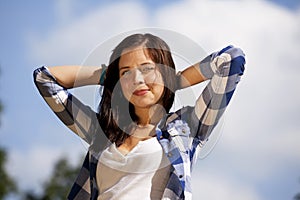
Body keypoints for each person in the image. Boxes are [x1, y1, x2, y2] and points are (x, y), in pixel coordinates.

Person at [33, 33, 245, 200]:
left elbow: (231, 60)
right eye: (126, 72)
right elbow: (45, 79)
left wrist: (175, 81)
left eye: (147, 69)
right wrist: (107, 75)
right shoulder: (102, 131)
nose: (136, 79)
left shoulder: (188, 127)